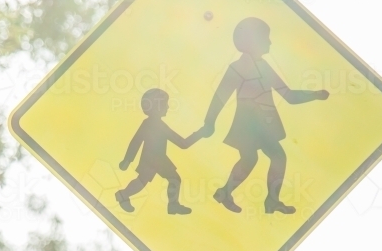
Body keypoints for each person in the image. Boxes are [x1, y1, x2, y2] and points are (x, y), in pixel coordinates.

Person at [197, 17, 329, 214]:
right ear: (253, 40)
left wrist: (314, 95)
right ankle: (242, 195)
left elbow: (289, 96)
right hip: (249, 122)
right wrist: (209, 122)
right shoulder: (238, 68)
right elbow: (220, 96)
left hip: (264, 121)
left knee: (263, 158)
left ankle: (240, 195)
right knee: (265, 157)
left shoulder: (264, 67)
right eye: (266, 38)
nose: (270, 42)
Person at [116, 88, 203, 215]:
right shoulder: (154, 125)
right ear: (157, 106)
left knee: (149, 180)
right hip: (153, 159)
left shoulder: (156, 124)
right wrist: (127, 160)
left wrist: (127, 160)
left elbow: (182, 144)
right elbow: (136, 141)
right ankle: (124, 195)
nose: (168, 107)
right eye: (165, 104)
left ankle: (124, 195)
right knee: (166, 179)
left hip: (156, 159)